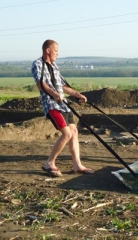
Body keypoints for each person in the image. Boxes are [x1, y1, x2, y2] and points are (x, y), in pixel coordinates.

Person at [32, 39, 94, 177]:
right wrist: (54, 94)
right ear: (48, 50)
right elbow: (41, 84)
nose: (57, 54)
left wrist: (78, 95)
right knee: (67, 134)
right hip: (51, 105)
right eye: (56, 51)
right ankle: (49, 163)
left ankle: (77, 165)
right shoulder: (38, 64)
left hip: (63, 105)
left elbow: (63, 86)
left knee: (74, 132)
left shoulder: (54, 66)